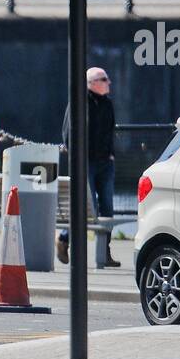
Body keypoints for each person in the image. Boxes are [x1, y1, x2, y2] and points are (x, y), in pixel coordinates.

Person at [57, 66, 119, 268]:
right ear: (92, 83)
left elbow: (110, 130)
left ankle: (105, 252)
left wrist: (110, 154)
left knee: (107, 208)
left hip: (105, 163)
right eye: (104, 79)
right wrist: (79, 158)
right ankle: (65, 239)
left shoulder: (108, 104)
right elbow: (67, 133)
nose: (108, 82)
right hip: (86, 163)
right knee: (86, 204)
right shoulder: (78, 103)